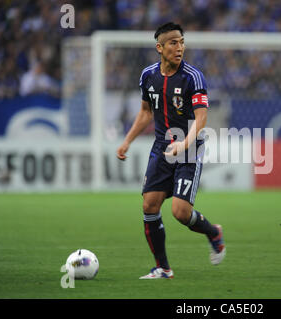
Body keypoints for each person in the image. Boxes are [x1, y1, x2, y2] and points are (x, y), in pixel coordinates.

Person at [116, 22, 225, 279]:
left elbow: (201, 119)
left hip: (188, 149)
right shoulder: (148, 76)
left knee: (180, 212)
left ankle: (213, 232)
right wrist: (127, 141)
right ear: (160, 47)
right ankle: (163, 268)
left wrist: (184, 144)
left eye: (182, 42)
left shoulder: (193, 77)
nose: (180, 47)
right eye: (173, 43)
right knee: (149, 205)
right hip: (162, 148)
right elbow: (145, 112)